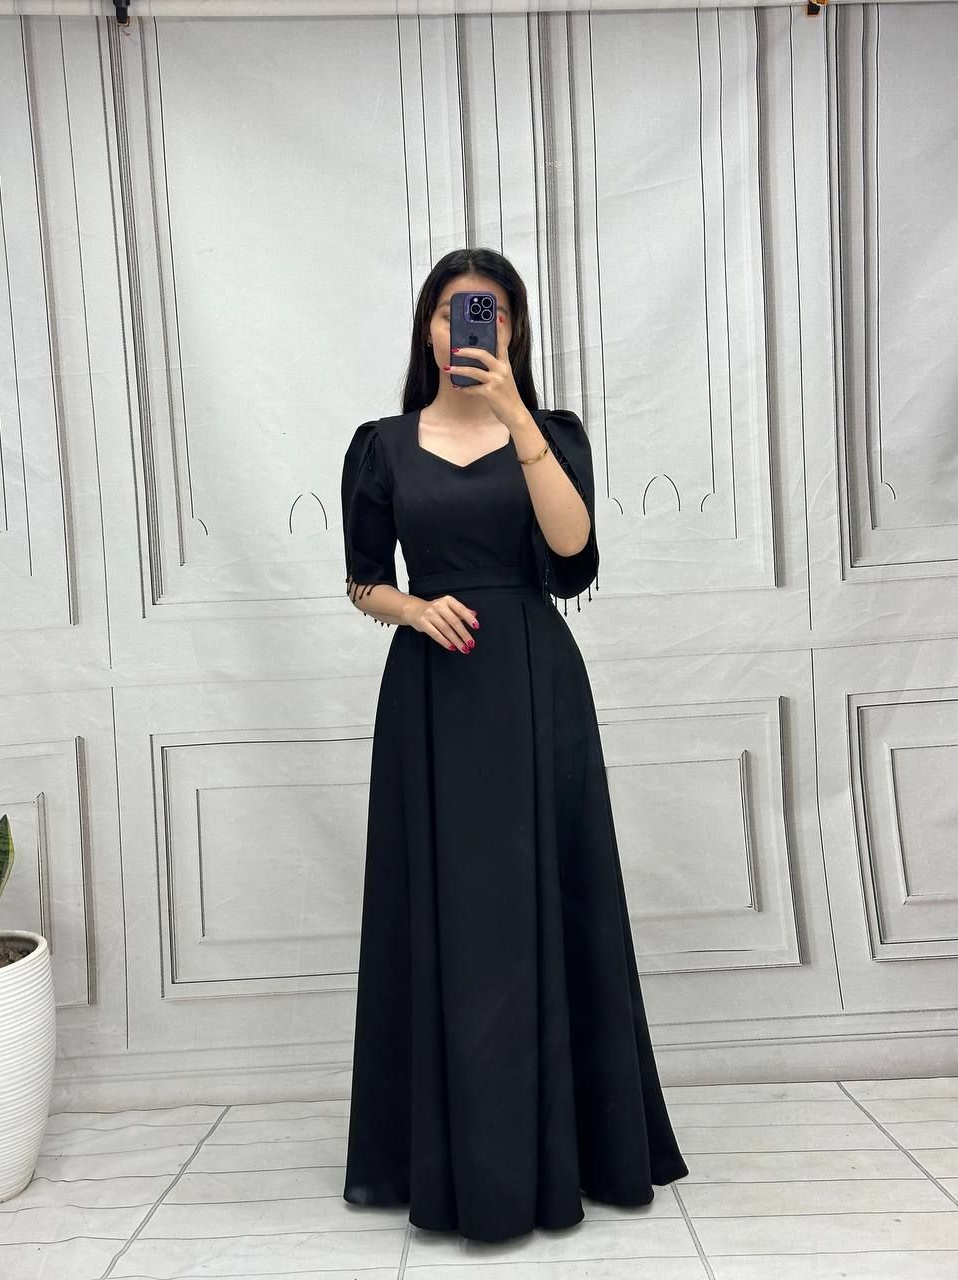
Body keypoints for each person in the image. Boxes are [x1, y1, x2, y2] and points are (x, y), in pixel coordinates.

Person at [340, 247, 688, 1243]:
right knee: (447, 909)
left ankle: (572, 1151)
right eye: (452, 311)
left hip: (537, 687)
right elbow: (362, 577)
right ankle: (455, 1161)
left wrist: (517, 419)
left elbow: (572, 554)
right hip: (434, 693)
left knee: (553, 899)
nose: (467, 326)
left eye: (486, 311)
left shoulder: (553, 433)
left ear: (515, 329)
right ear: (426, 328)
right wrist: (414, 608)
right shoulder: (381, 447)